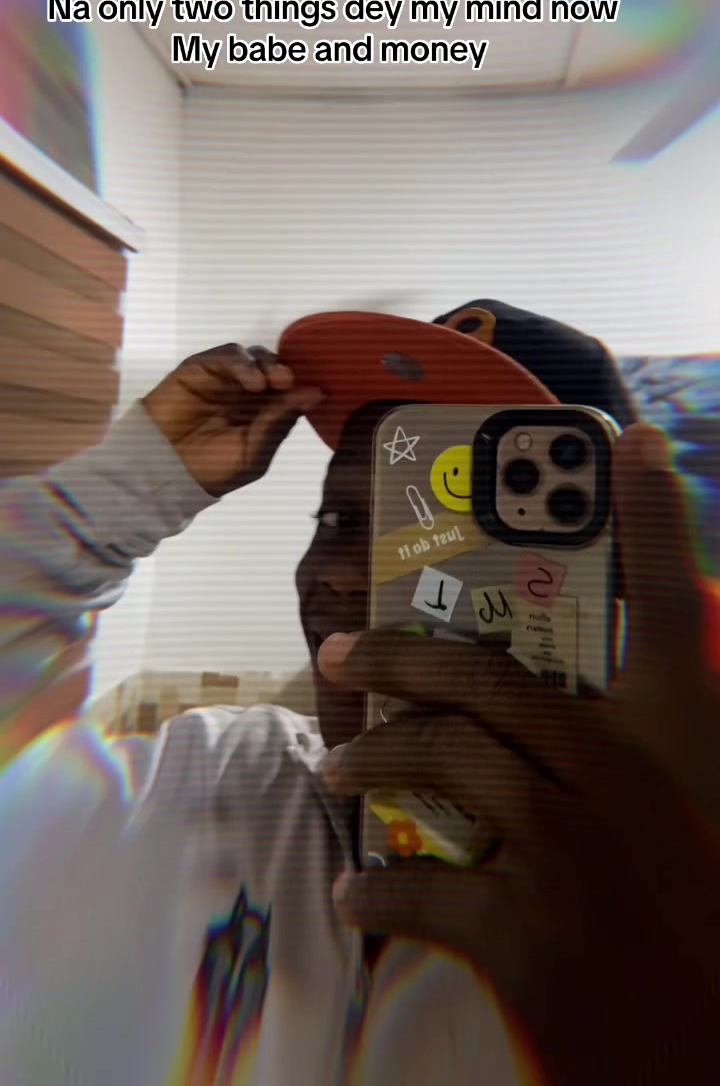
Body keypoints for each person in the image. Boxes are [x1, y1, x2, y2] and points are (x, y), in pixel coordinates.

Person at [1, 299, 719, 1086]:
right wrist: (122, 491)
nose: (341, 574)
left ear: (610, 594)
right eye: (341, 517)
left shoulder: (667, 922)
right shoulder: (216, 777)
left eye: (453, 533)